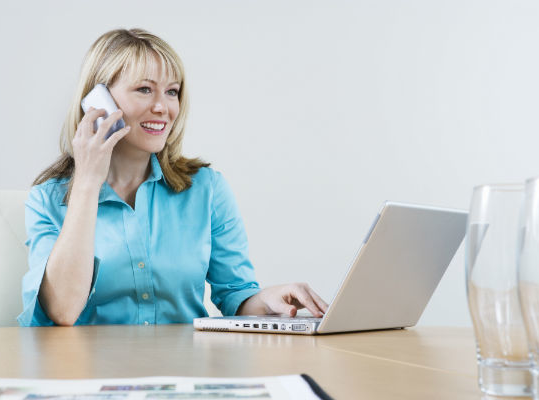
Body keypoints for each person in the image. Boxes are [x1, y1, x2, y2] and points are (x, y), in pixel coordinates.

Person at [18, 28, 328, 326]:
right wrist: (87, 182)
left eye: (172, 92)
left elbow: (235, 294)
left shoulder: (206, 189)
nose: (162, 107)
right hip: (88, 372)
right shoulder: (47, 200)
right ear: (98, 101)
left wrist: (268, 300)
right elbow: (63, 311)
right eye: (144, 89)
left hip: (184, 368)